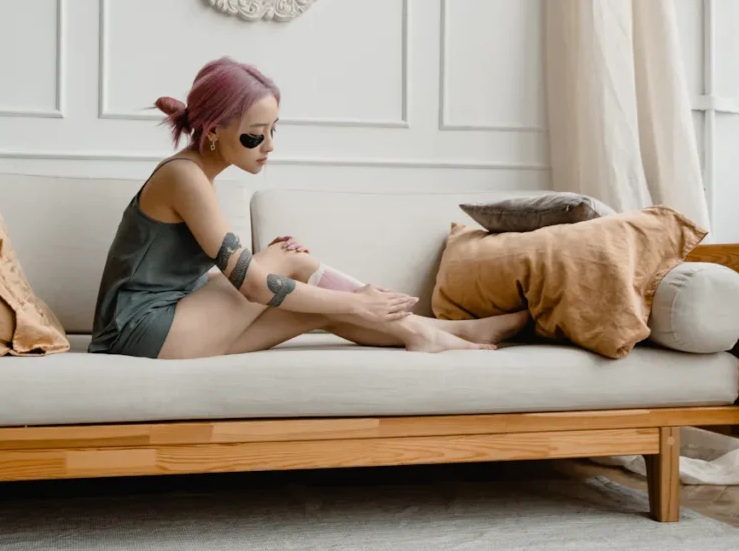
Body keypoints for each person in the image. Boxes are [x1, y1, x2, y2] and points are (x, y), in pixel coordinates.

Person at [89, 57, 529, 360]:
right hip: (139, 332)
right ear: (212, 131)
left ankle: (439, 334)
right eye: (254, 135)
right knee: (289, 263)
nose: (268, 146)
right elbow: (252, 286)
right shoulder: (184, 177)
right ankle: (431, 331)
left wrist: (341, 301)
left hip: (168, 324)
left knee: (315, 304)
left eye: (273, 130)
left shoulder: (195, 175)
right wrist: (358, 302)